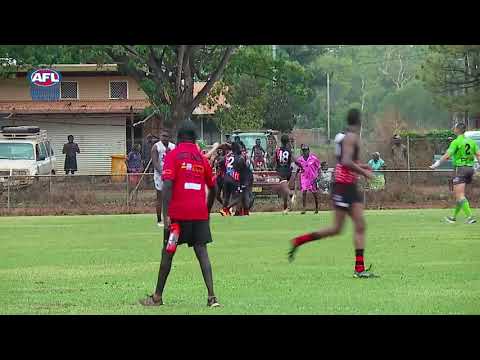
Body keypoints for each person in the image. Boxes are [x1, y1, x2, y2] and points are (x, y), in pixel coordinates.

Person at [288, 109, 378, 279]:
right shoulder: (351, 137)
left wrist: (363, 166)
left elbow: (347, 160)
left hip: (348, 186)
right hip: (343, 186)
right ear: (359, 122)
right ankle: (300, 241)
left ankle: (359, 268)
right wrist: (365, 172)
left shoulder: (345, 137)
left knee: (358, 225)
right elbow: (345, 161)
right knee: (337, 229)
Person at [139, 121, 219, 308]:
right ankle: (212, 297)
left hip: (177, 217)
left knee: (168, 253)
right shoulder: (201, 158)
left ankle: (157, 297)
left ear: (179, 137)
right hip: (198, 215)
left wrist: (166, 215)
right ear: (195, 139)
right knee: (202, 253)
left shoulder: (172, 155)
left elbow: (167, 185)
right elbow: (213, 188)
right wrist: (206, 211)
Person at [430, 122, 479, 224]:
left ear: (457, 130)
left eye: (454, 128)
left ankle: (470, 217)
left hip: (461, 169)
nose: (453, 129)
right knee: (459, 195)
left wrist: (437, 164)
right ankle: (453, 217)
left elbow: (447, 155)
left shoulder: (456, 142)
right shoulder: (471, 142)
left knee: (460, 195)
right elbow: (478, 155)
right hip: (470, 169)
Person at [152, 129, 176, 227]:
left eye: (166, 136)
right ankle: (159, 219)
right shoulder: (156, 147)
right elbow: (155, 162)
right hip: (160, 175)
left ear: (169, 137)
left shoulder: (173, 146)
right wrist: (162, 173)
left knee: (172, 197)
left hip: (171, 174)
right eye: (163, 136)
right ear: (160, 136)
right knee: (160, 197)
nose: (164, 138)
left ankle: (171, 217)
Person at [220, 141, 248, 217]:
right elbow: (244, 170)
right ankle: (226, 209)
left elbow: (220, 162)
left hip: (225, 179)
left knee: (226, 197)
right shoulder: (240, 158)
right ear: (237, 149)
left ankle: (224, 212)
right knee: (239, 196)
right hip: (234, 179)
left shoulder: (228, 157)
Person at [274, 134, 296, 214]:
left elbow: (275, 160)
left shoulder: (277, 150)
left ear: (281, 141)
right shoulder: (289, 150)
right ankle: (286, 208)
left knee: (285, 189)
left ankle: (292, 194)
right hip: (288, 171)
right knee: (284, 189)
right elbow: (294, 160)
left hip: (281, 171)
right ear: (287, 141)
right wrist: (301, 166)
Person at [296, 144, 320, 214]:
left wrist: (318, 176)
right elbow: (298, 168)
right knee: (304, 192)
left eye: (306, 150)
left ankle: (316, 208)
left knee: (314, 194)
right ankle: (304, 208)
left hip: (312, 178)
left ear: (308, 151)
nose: (305, 152)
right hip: (304, 178)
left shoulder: (314, 158)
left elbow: (319, 167)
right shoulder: (300, 159)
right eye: (303, 150)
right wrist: (295, 175)